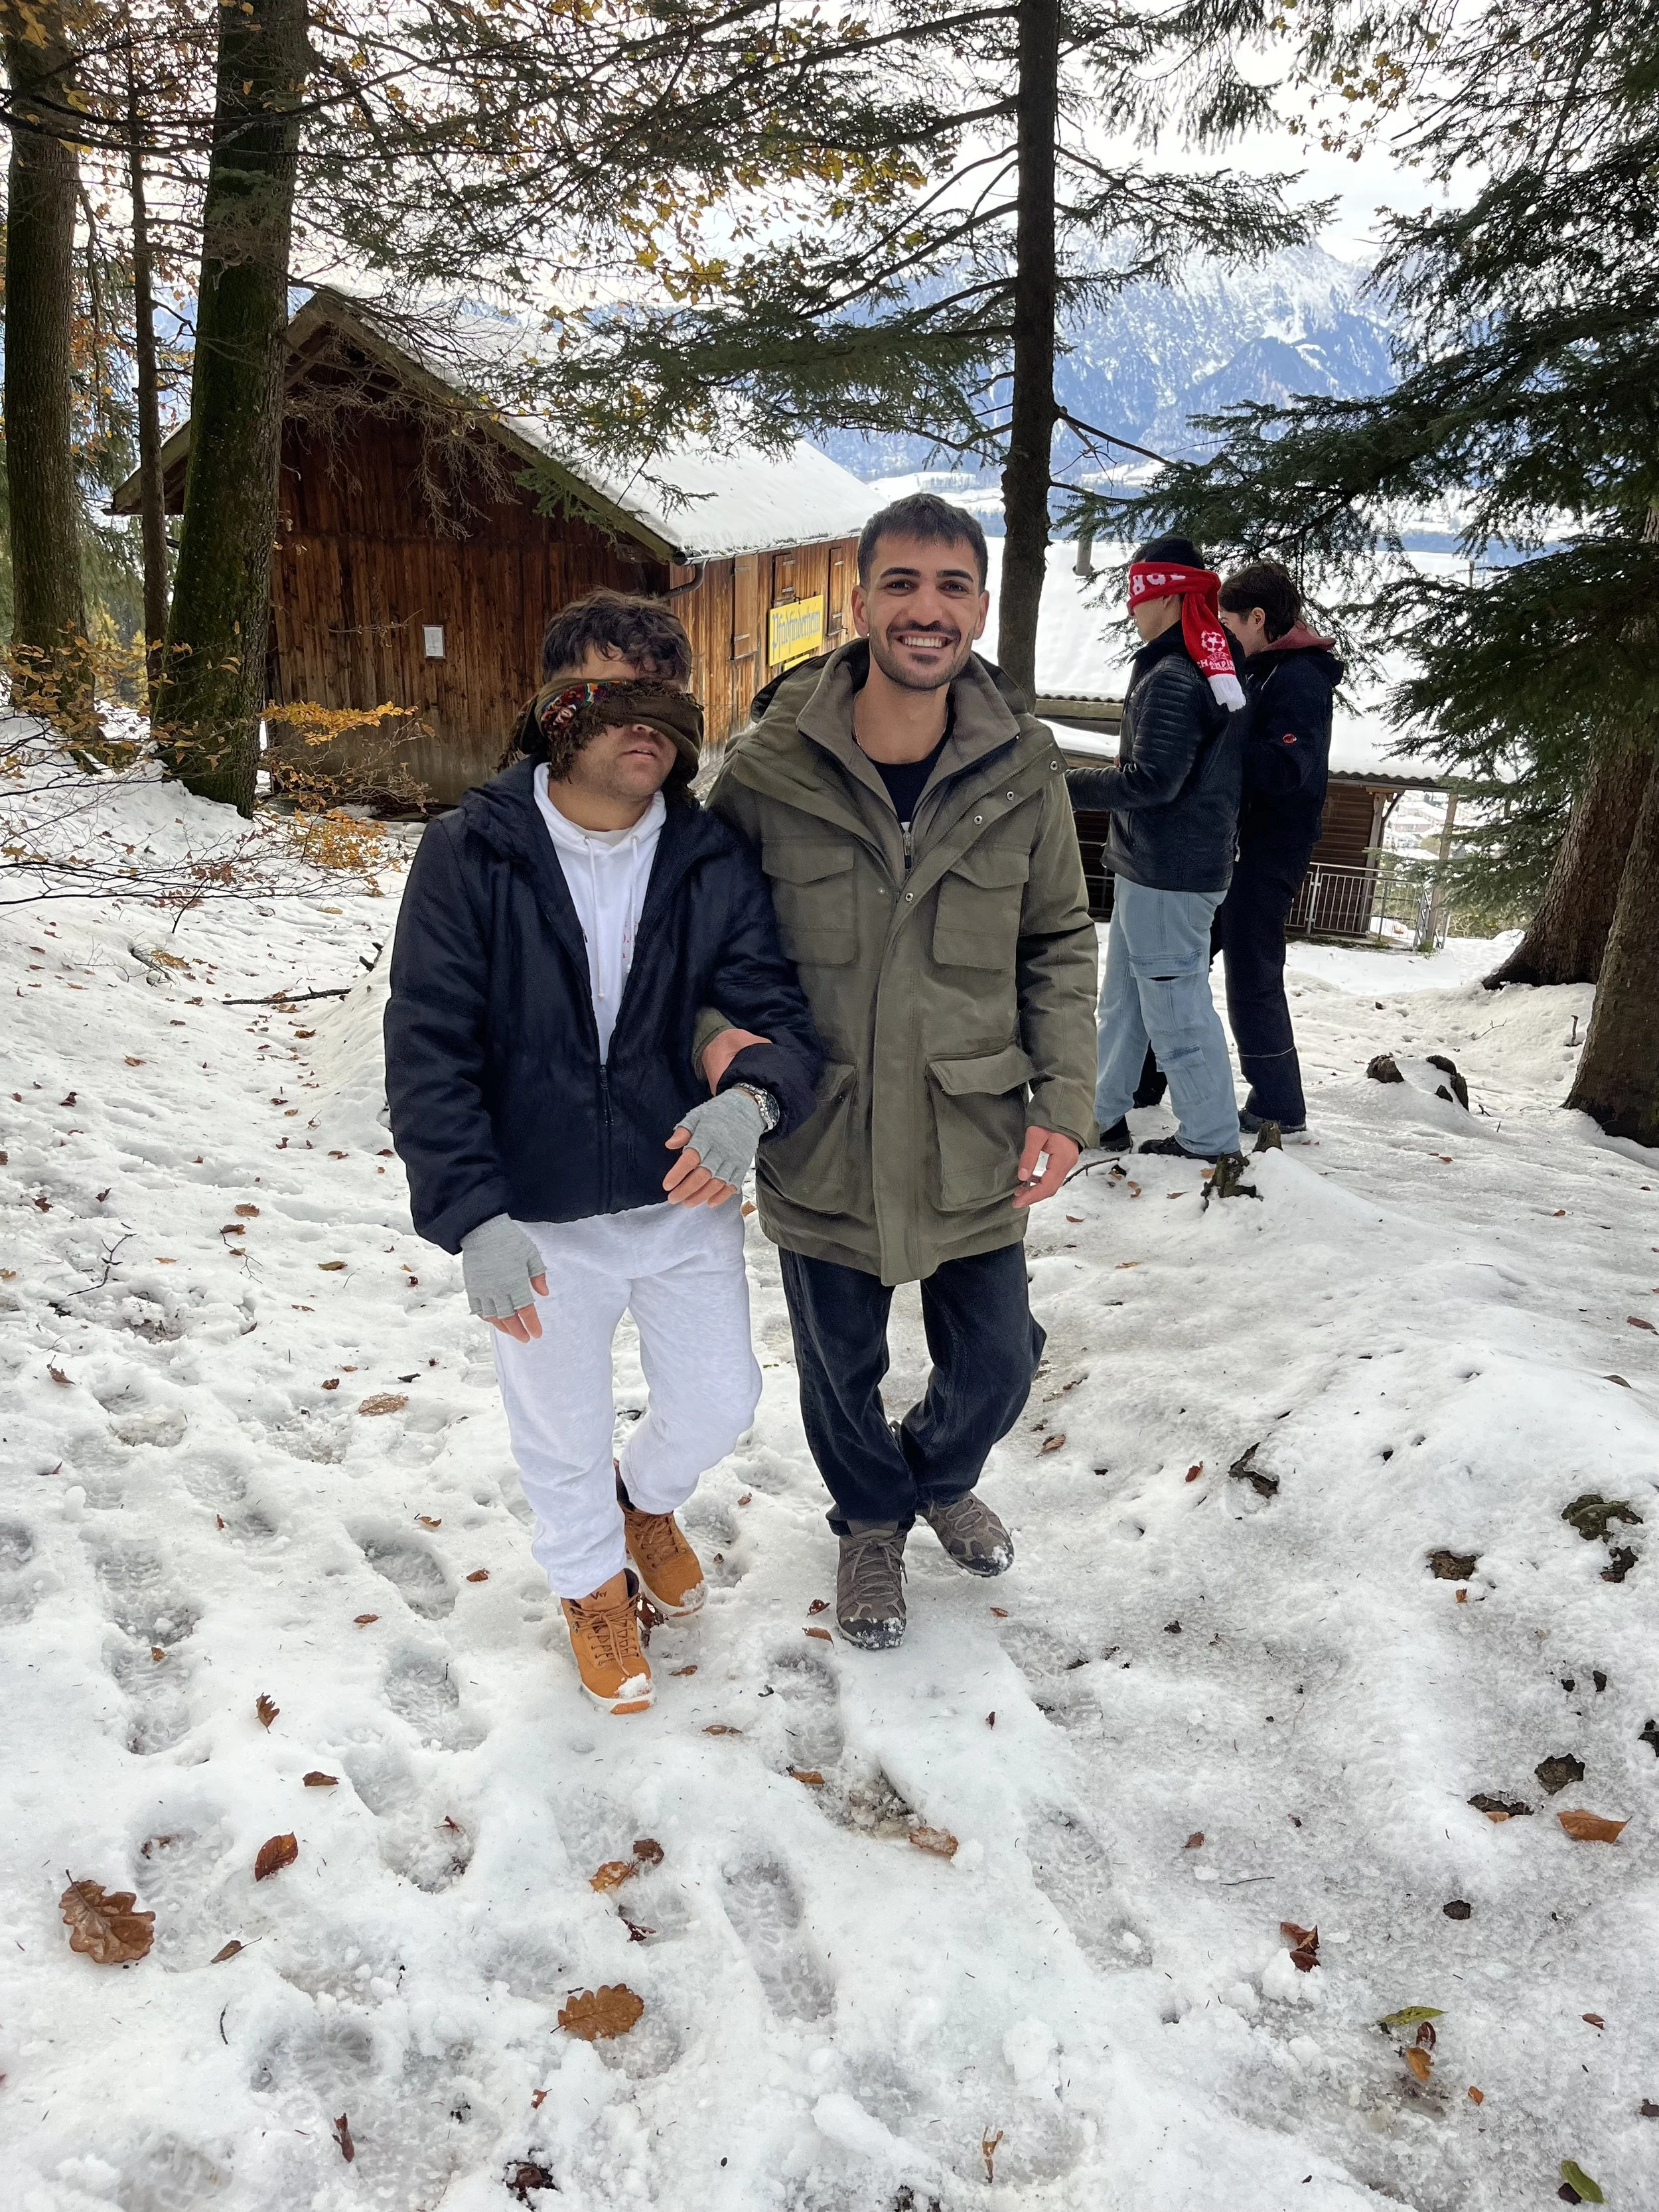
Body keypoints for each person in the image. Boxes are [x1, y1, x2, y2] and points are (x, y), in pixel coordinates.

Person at [384, 588, 822, 1715]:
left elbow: (767, 1002)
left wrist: (756, 1099)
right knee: (560, 1427)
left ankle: (647, 1498)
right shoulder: (472, 853)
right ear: (553, 710)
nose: (648, 724)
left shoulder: (706, 854)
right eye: (614, 694)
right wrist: (471, 1210)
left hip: (678, 1196)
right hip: (534, 1215)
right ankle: (589, 1586)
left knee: (721, 1398)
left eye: (667, 702)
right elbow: (429, 1044)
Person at [698, 494, 1098, 1651]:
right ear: (863, 599)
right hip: (822, 1123)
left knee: (999, 1359)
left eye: (953, 586)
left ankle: (934, 1471)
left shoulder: (1026, 770)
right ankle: (869, 1517)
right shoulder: (771, 772)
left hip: (971, 1123)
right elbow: (704, 939)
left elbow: (1060, 942)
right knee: (841, 1362)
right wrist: (720, 1042)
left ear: (977, 606)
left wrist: (1065, 1105)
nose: (929, 609)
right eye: (905, 583)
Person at [1067, 535, 1245, 1163]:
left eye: (1137, 594)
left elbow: (1153, 780)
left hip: (1171, 874)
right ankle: (1099, 1113)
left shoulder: (1174, 674)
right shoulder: (1207, 661)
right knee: (1125, 1003)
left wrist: (1063, 788)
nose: (1129, 608)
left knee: (1176, 1011)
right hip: (1160, 869)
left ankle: (1210, 1139)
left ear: (1167, 595)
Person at [1214, 561, 1342, 1134]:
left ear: (1258, 618)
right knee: (1181, 959)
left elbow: (1290, 767)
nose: (1223, 634)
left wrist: (1224, 748)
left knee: (1251, 969)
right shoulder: (1267, 669)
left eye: (1229, 623)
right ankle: (1145, 1079)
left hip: (1269, 849)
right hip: (1244, 844)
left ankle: (1279, 1104)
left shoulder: (1298, 678)